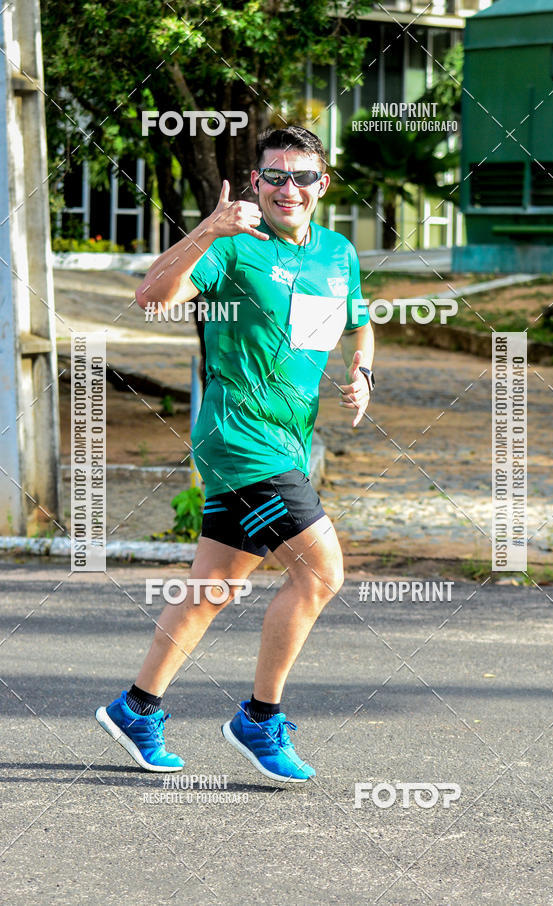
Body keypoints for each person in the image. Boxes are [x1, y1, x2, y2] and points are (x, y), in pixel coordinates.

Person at [95, 125, 375, 783]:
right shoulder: (234, 248)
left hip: (287, 443)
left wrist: (363, 372)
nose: (288, 188)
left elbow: (360, 323)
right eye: (274, 176)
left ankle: (137, 708)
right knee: (320, 573)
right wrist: (211, 230)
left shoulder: (337, 254)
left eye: (302, 176)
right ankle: (259, 717)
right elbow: (152, 296)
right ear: (256, 184)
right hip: (239, 440)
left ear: (322, 185)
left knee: (212, 587)